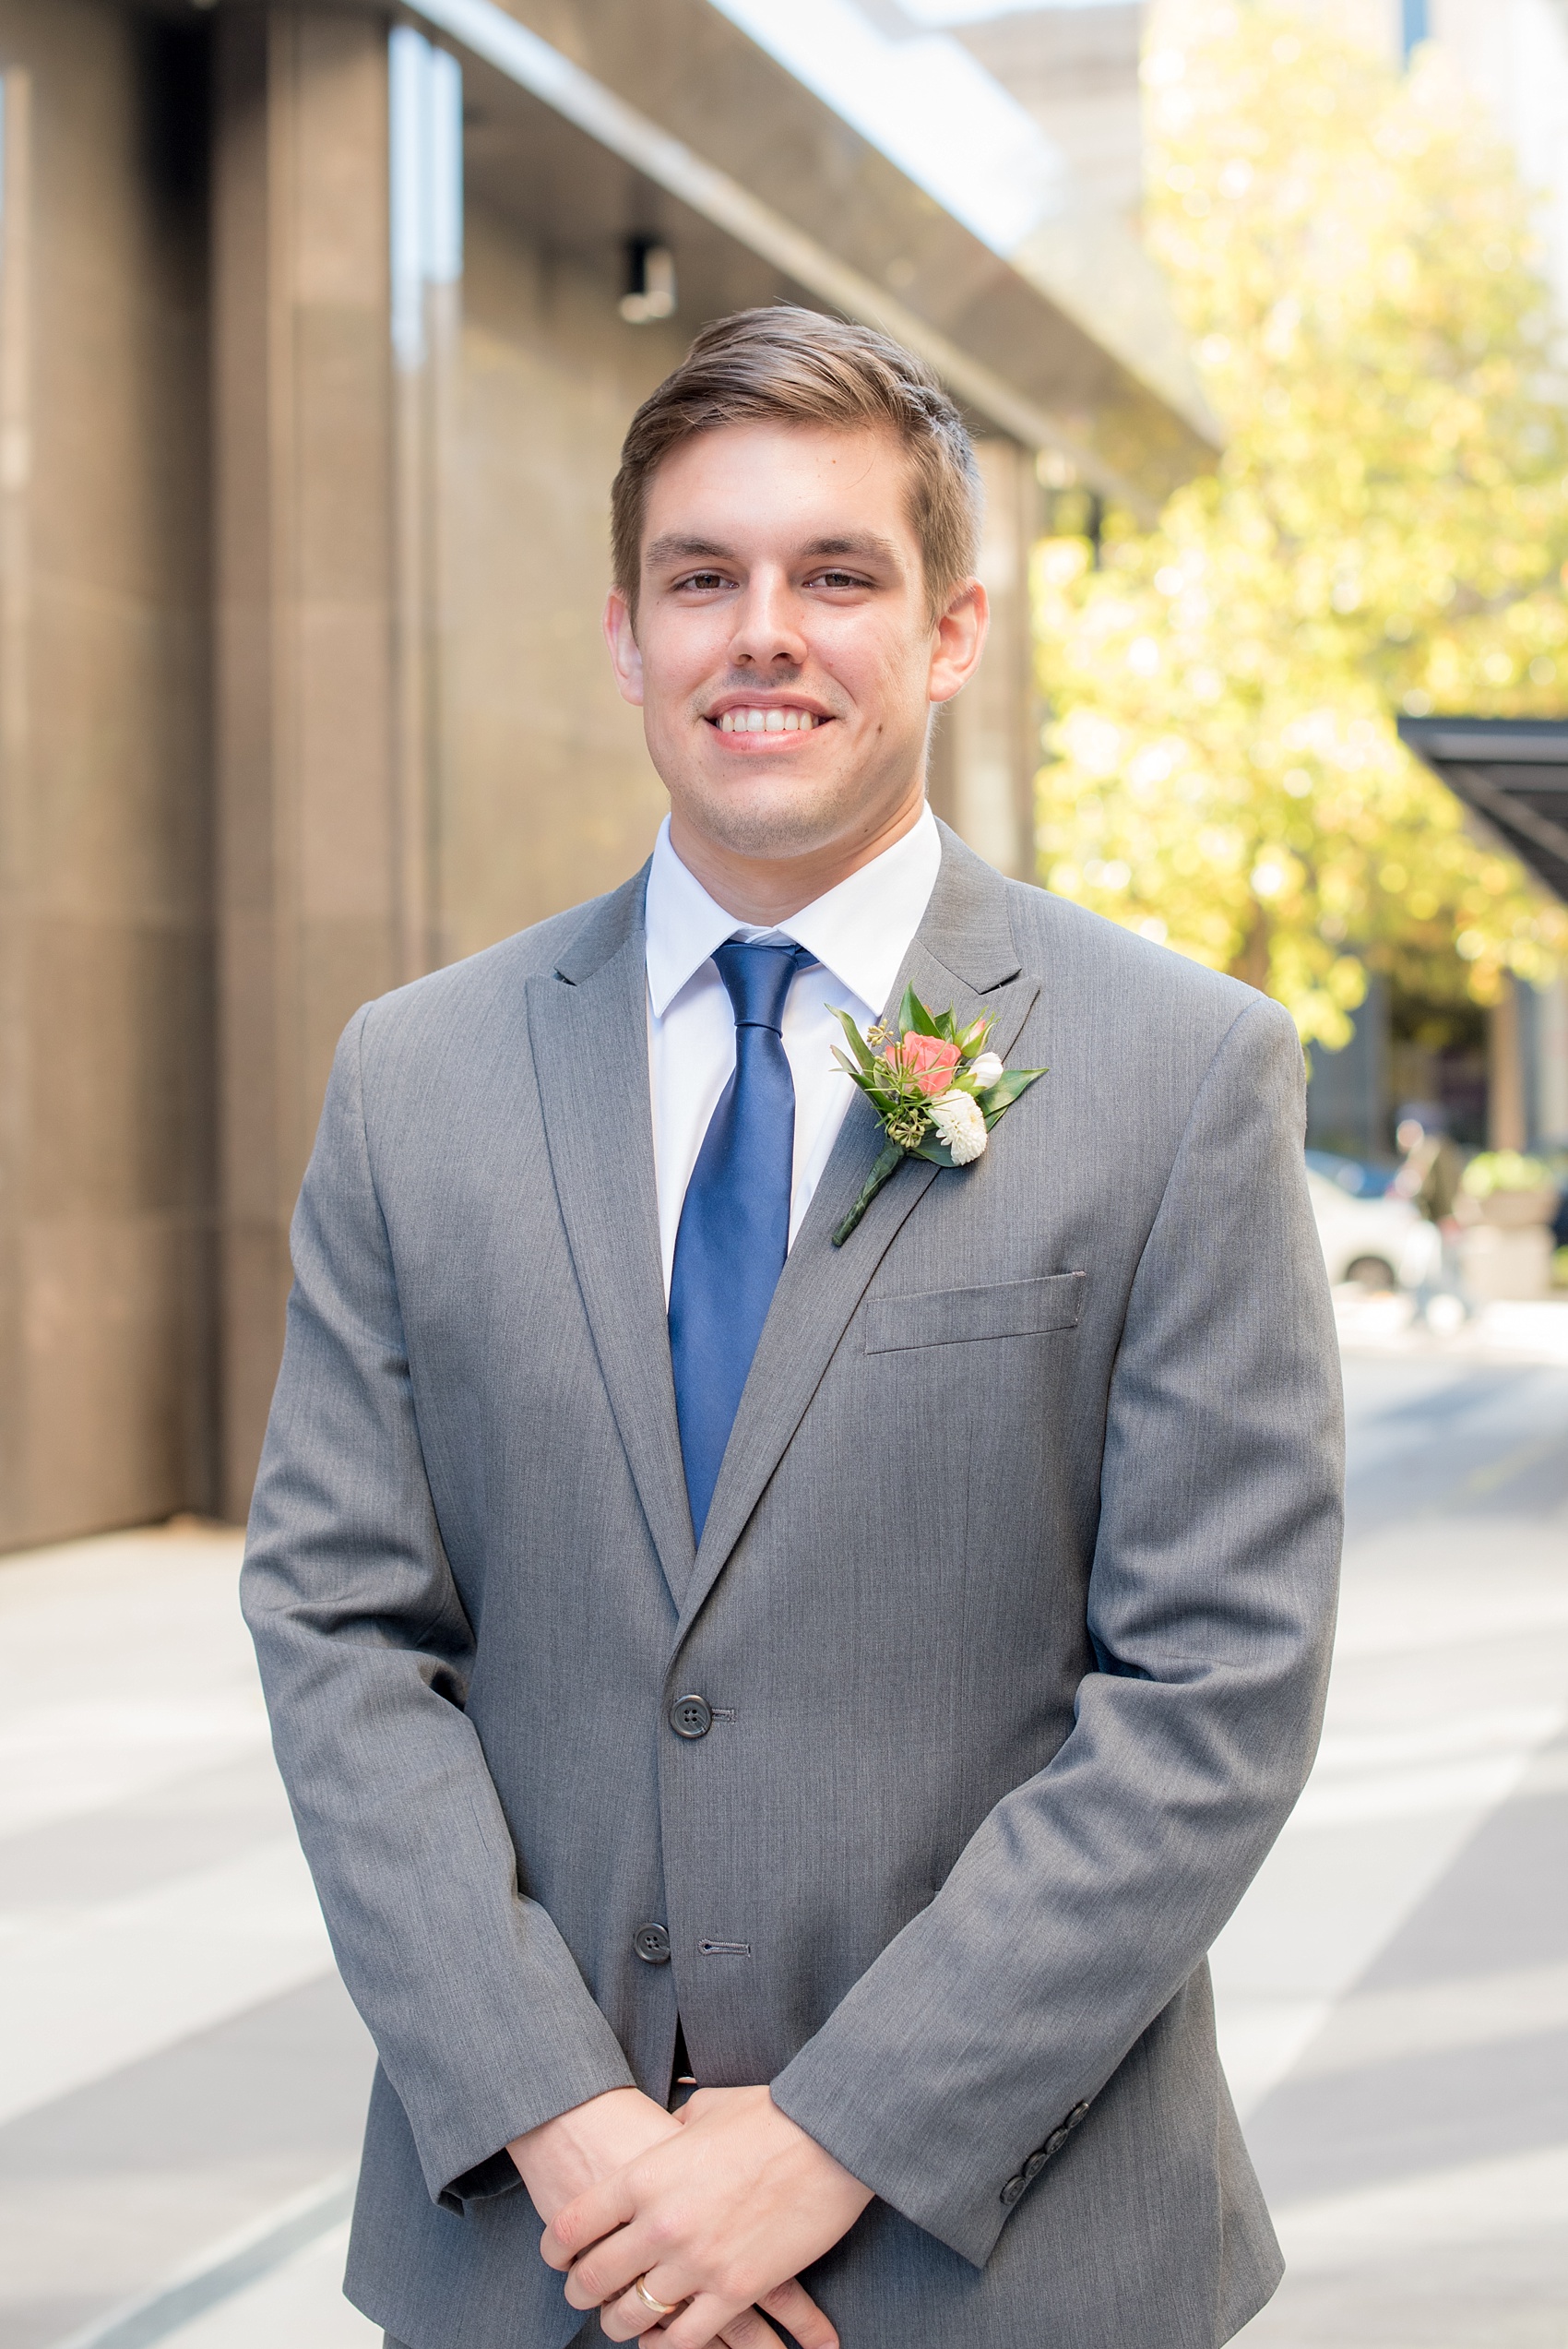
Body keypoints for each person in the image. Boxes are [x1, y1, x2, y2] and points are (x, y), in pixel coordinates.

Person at [242, 307, 1343, 2349]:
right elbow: (337, 1631)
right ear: (626, 634)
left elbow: (1215, 1683)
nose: (765, 631)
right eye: (702, 577)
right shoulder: (417, 1078)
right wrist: (572, 2129)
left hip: (1011, 2265)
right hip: (534, 2257)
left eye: (835, 573)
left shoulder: (1178, 1071)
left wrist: (824, 2139)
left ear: (947, 632)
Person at [1393, 1106, 1471, 1324]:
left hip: (1436, 1222)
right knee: (1423, 1271)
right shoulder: (1420, 1153)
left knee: (1434, 1272)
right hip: (1428, 1222)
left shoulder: (1433, 1149)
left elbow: (1442, 1188)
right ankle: (1420, 1312)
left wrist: (1448, 1218)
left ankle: (1469, 1308)